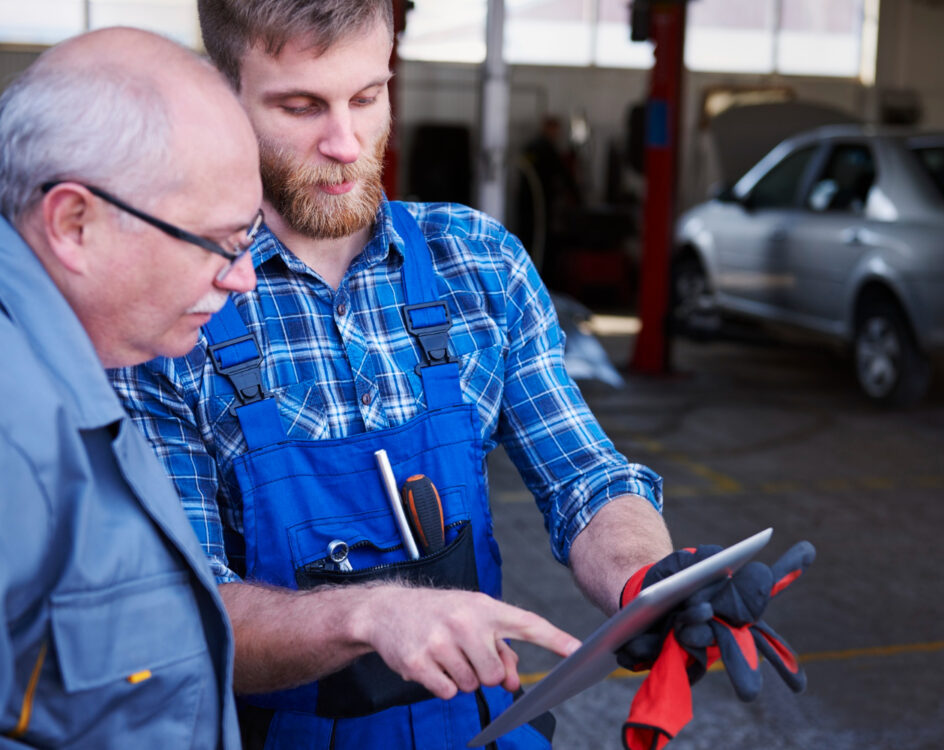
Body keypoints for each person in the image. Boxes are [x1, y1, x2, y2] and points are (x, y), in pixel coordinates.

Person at [109, 1, 673, 748]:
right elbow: (186, 613)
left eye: (368, 97)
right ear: (223, 98)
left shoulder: (478, 264)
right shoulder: (170, 311)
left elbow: (583, 478)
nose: (346, 143)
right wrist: (372, 616)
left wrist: (654, 585)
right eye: (301, 105)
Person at [0, 27, 264, 748]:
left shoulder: (72, 372)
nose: (242, 279)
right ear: (74, 224)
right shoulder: (14, 437)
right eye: (220, 244)